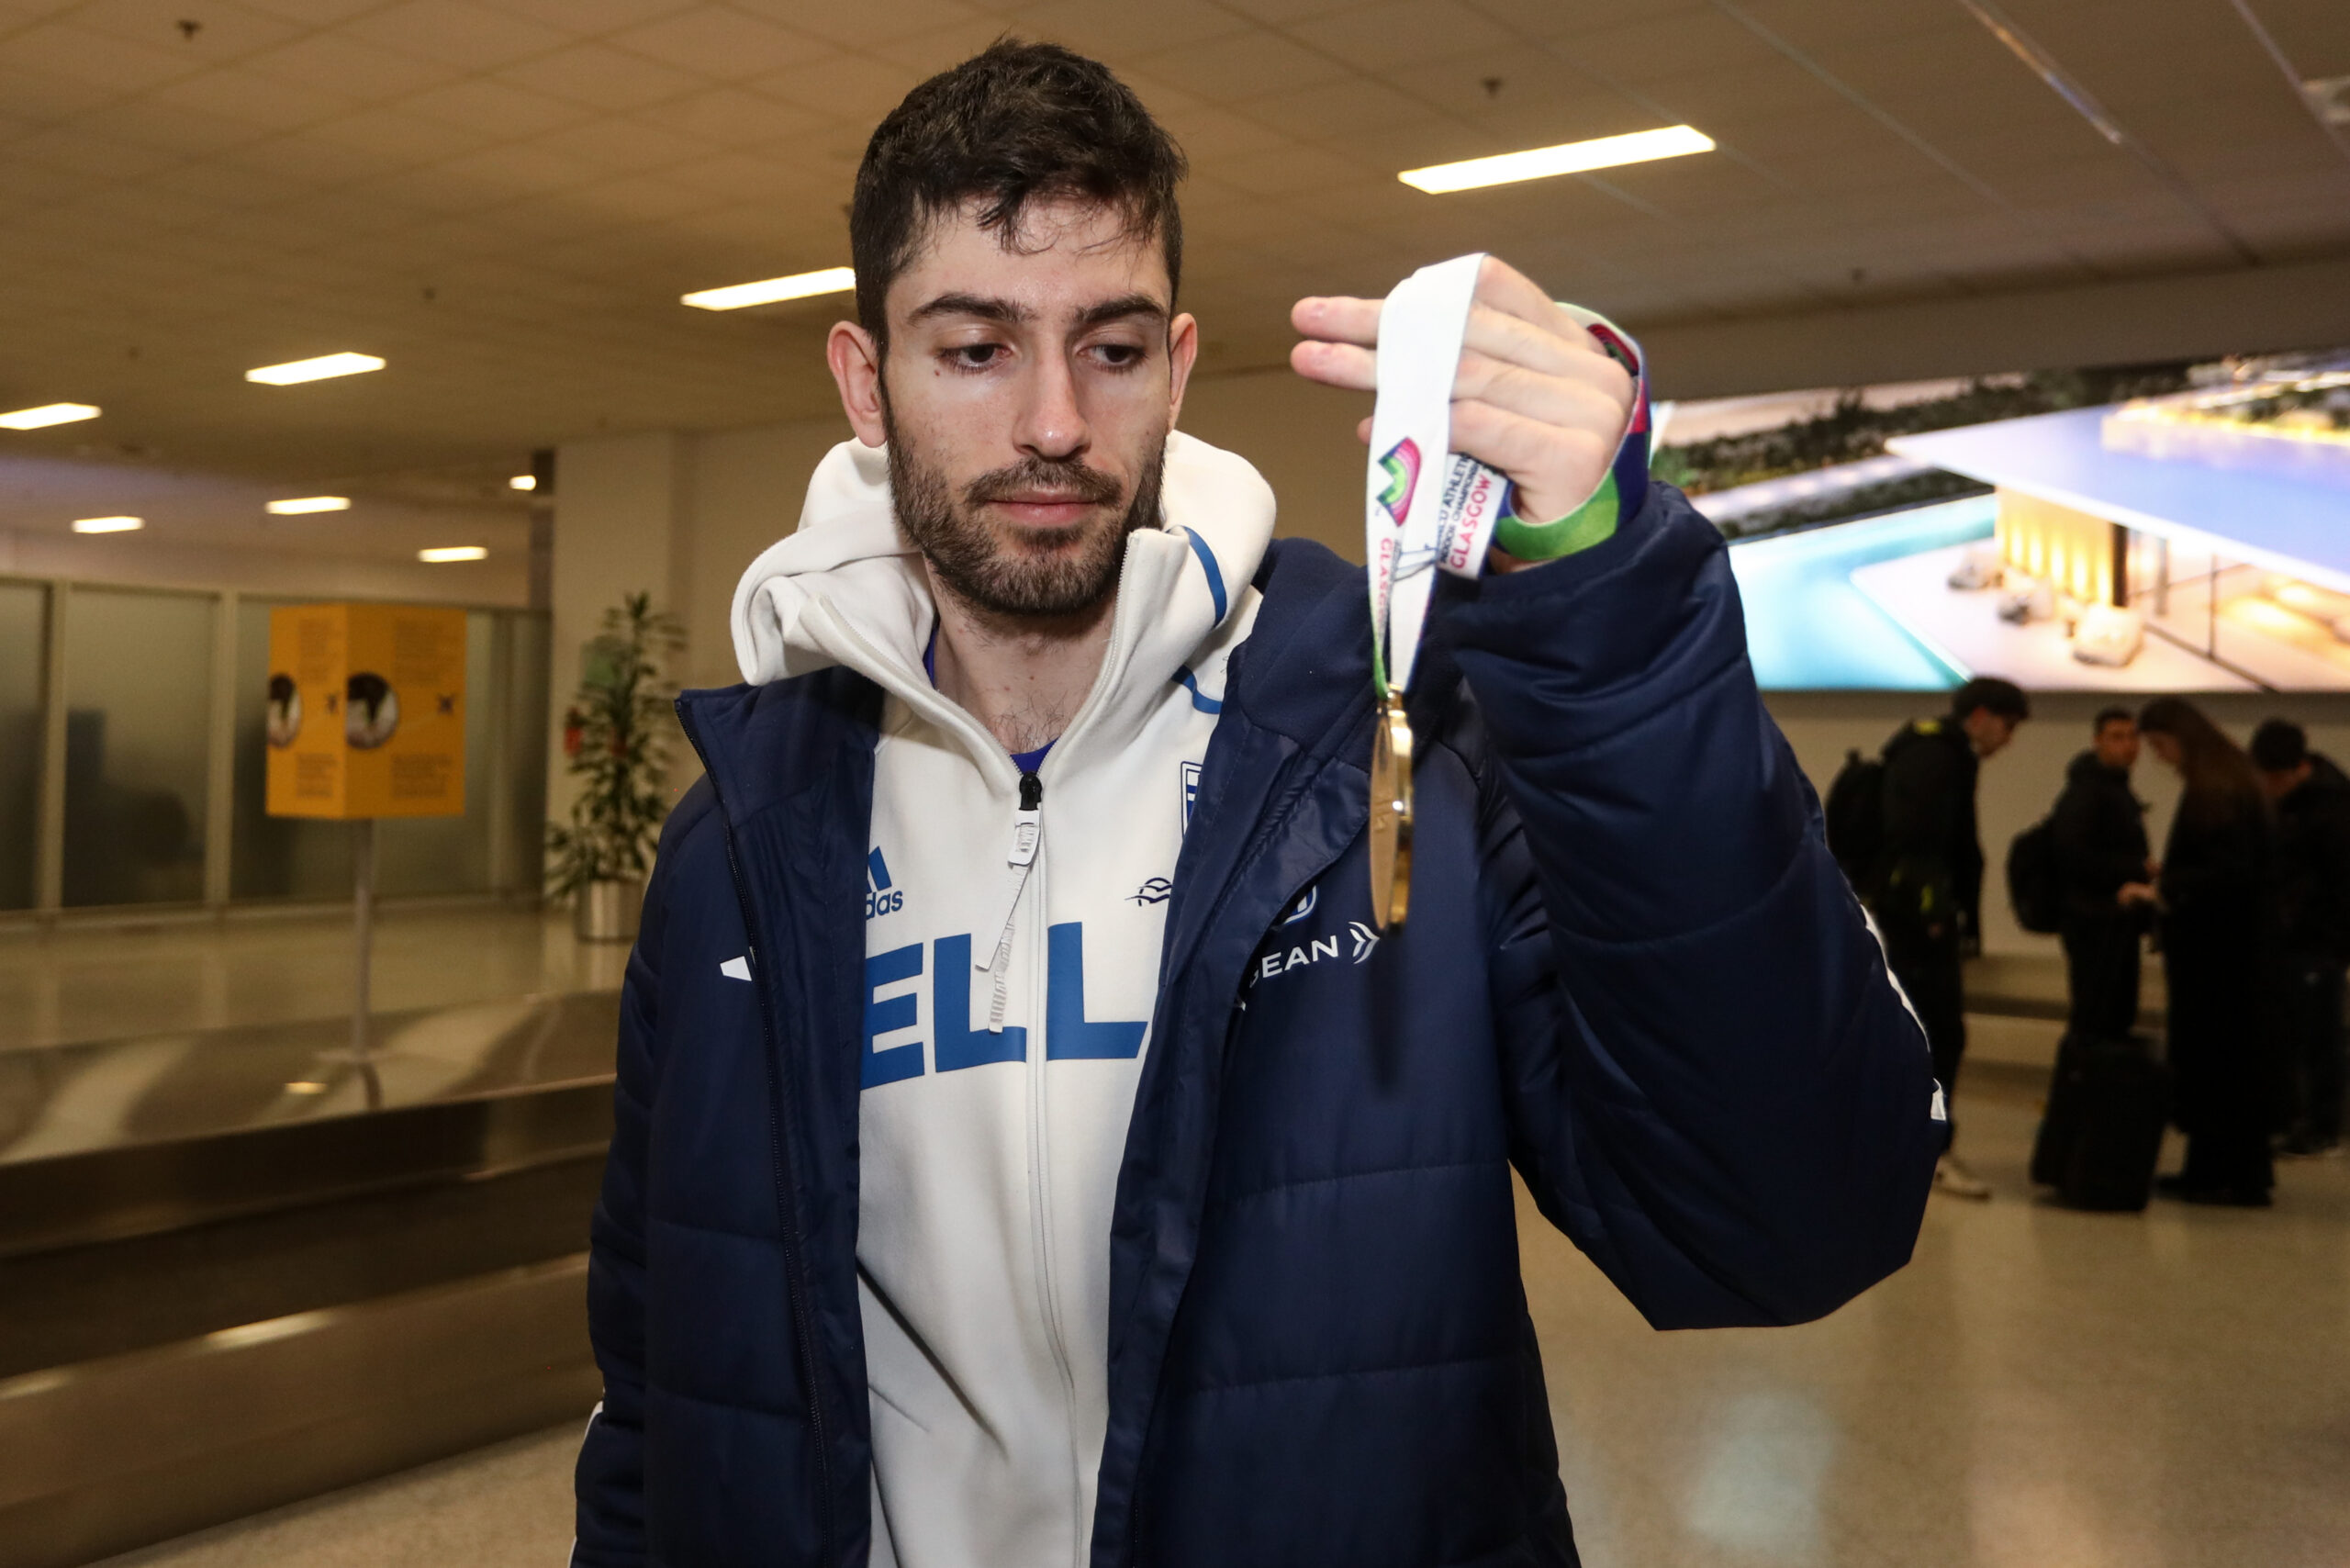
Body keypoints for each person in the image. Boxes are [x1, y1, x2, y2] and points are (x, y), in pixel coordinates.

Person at [573, 42, 1943, 1568]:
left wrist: (1607, 615)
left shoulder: (1393, 749)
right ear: (864, 381)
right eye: (973, 348)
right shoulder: (741, 844)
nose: (1050, 422)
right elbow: (657, 1393)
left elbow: (1783, 1219)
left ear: (1176, 358)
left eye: (1111, 347)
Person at [1869, 676, 2030, 1200]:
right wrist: (1936, 914)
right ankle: (1929, 1150)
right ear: (1981, 716)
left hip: (1910, 921)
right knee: (1937, 1036)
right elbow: (1918, 843)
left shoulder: (1937, 752)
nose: (2008, 740)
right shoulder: (1938, 757)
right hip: (1917, 927)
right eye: (2008, 726)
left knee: (1927, 1035)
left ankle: (1911, 1145)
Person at [2138, 698, 2276, 1205]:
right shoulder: (2237, 781)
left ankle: (2216, 1171)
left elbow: (2226, 873)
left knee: (2212, 1061)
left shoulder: (2213, 791)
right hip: (2238, 953)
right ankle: (2228, 1169)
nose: (2160, 757)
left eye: (2159, 745)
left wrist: (2167, 886)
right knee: (2231, 1063)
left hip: (2216, 956)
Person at [2250, 718, 2350, 1156]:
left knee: (2319, 1036)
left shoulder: (2333, 809)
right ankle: (2296, 1117)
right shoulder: (2298, 804)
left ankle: (2322, 1124)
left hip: (2318, 942)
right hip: (2293, 938)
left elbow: (2337, 885)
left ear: (2293, 770)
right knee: (2295, 1031)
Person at [2050, 707, 2155, 1041]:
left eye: (2132, 736)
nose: (2128, 745)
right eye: (2117, 737)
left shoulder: (2113, 788)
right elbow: (2073, 854)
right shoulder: (2088, 792)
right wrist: (2137, 869)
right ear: (2098, 741)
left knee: (2112, 1012)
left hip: (2109, 917)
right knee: (2097, 1014)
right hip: (2093, 919)